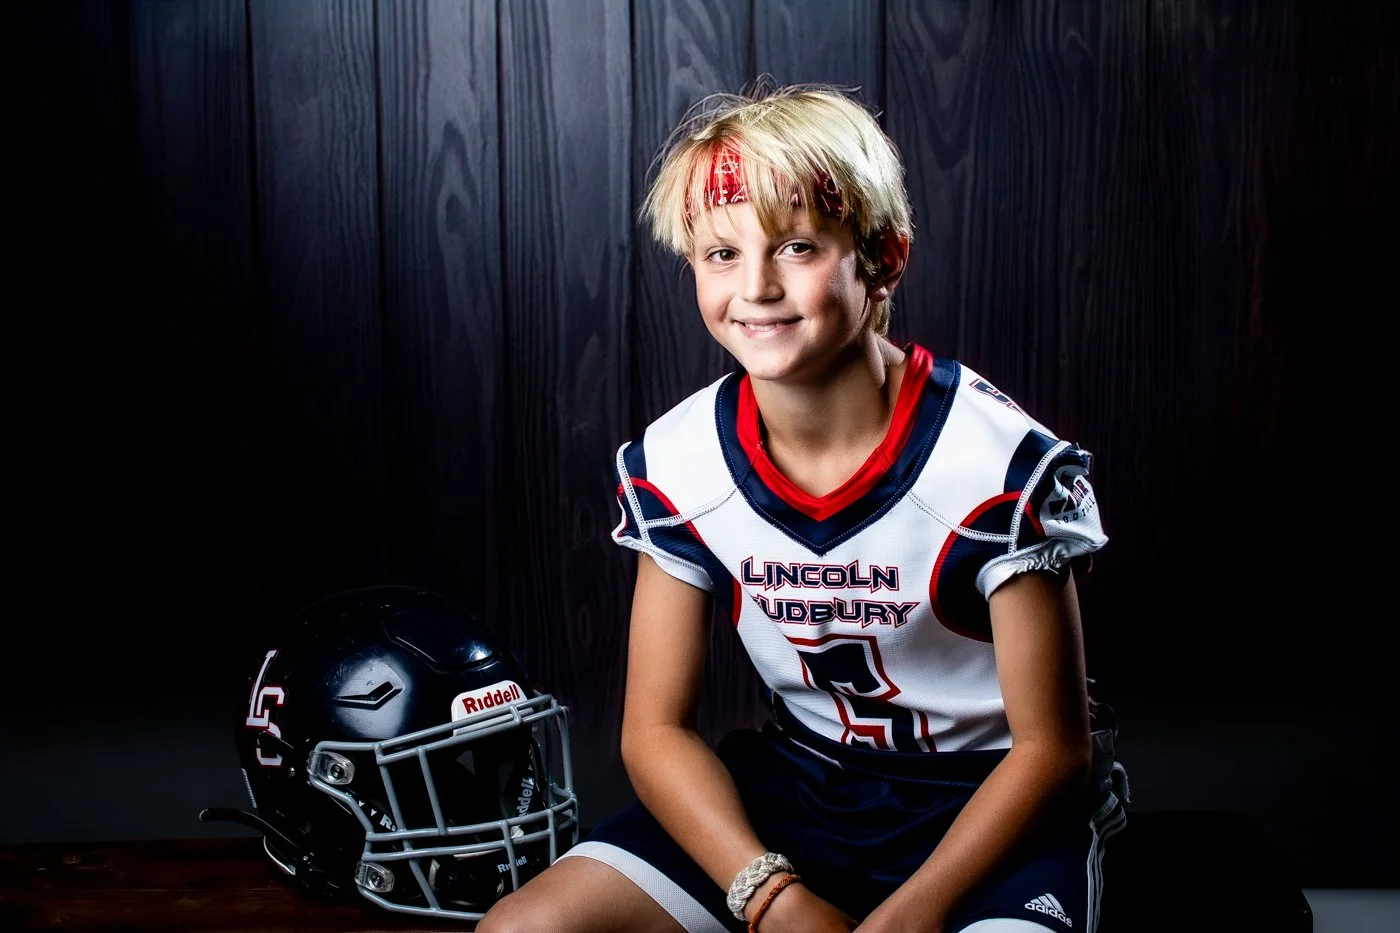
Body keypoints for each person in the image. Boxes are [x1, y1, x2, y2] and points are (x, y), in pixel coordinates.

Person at [477, 81, 1128, 933]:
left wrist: (907, 916)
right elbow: (654, 731)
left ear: (884, 256)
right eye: (720, 254)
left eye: (795, 247)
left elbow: (1053, 750)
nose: (756, 287)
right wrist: (769, 895)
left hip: (988, 803)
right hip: (802, 784)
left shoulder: (995, 462)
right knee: (523, 930)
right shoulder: (680, 460)